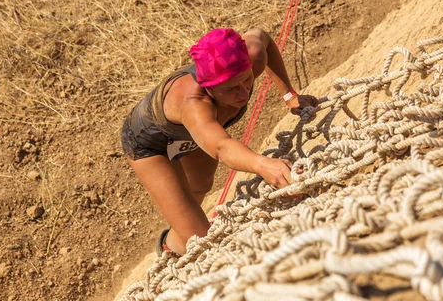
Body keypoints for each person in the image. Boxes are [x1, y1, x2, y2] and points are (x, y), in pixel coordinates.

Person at [120, 28, 318, 256]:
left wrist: (289, 96)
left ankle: (182, 222)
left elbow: (264, 39)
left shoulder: (251, 55)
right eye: (231, 89)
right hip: (149, 145)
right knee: (201, 242)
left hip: (192, 133)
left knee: (200, 186)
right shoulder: (194, 104)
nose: (243, 93)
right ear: (209, 88)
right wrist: (263, 165)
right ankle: (171, 243)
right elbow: (221, 147)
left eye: (246, 80)